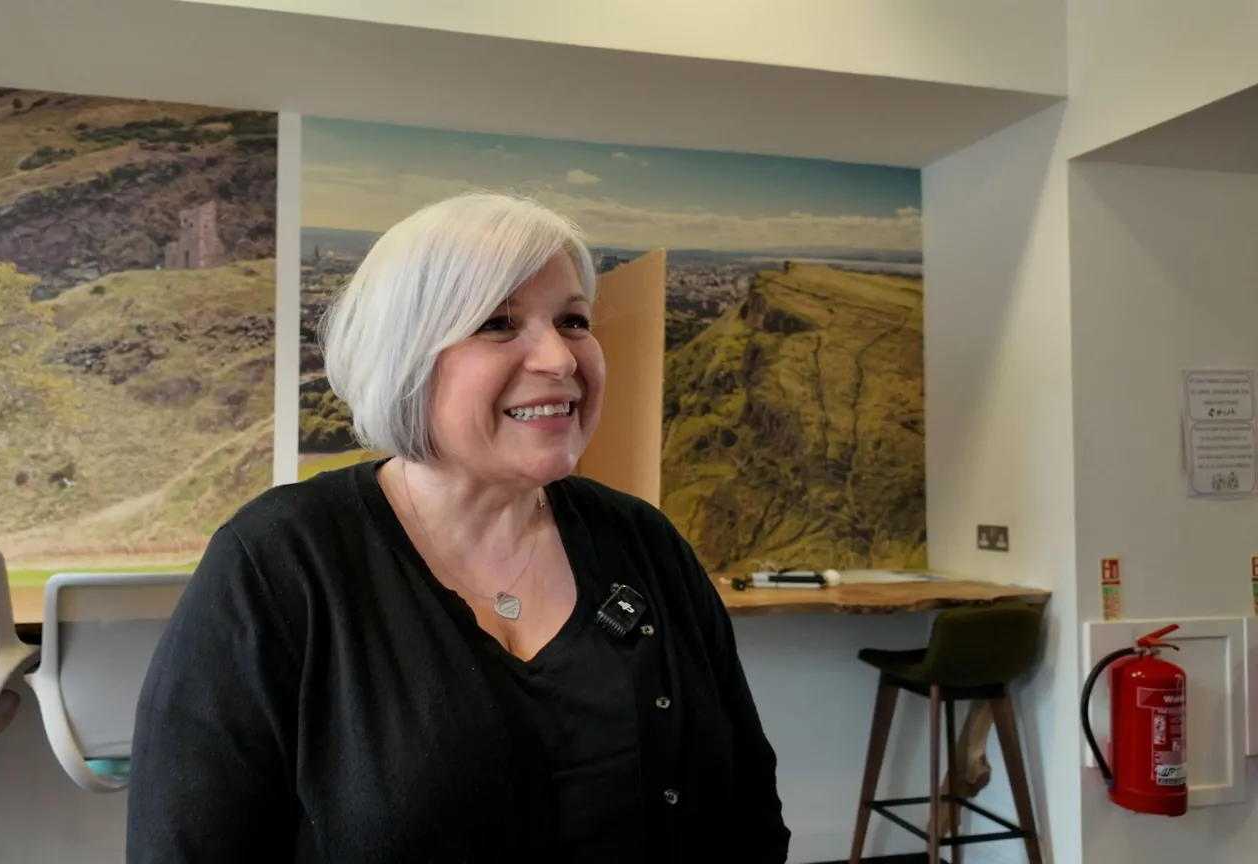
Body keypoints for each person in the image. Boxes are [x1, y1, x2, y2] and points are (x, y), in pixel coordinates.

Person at [126, 192, 790, 863]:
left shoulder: (642, 543)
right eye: (499, 324)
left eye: (573, 321)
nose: (559, 359)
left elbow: (750, 815)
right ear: (405, 355)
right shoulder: (279, 564)